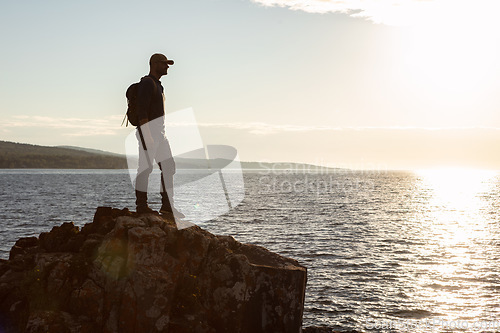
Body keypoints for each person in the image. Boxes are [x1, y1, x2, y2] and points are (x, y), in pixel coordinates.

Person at [134, 53, 184, 218]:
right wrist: (147, 136)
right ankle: (141, 206)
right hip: (149, 134)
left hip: (160, 135)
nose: (167, 66)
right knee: (145, 168)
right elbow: (142, 110)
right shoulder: (147, 84)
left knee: (169, 167)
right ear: (154, 64)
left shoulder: (158, 85)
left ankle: (167, 207)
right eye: (164, 64)